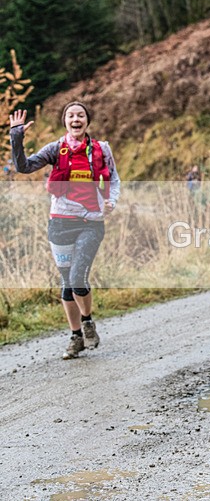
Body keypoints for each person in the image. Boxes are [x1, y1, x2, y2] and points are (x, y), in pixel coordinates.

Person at [9, 103, 121, 360]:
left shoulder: (102, 149)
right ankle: (75, 336)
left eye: (80, 115)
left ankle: (87, 321)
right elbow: (23, 167)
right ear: (65, 121)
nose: (76, 119)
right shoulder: (55, 149)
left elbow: (114, 179)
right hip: (60, 222)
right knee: (66, 283)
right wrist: (16, 137)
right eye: (71, 115)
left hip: (91, 222)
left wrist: (112, 201)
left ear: (87, 121)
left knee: (77, 276)